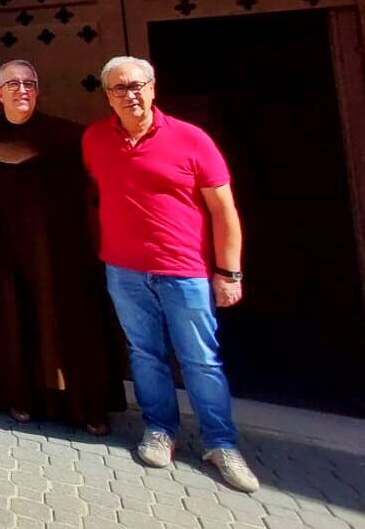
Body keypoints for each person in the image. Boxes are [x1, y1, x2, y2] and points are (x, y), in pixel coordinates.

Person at [82, 56, 258, 493]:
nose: (131, 95)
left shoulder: (192, 139)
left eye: (139, 85)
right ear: (109, 97)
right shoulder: (95, 139)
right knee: (145, 354)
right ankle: (160, 430)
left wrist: (229, 272)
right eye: (120, 88)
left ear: (154, 88)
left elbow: (224, 210)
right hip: (124, 270)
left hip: (186, 271)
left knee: (201, 360)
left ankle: (221, 443)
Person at [0, 61, 122, 433]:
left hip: (65, 252)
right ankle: (22, 399)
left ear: (38, 91)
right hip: (10, 253)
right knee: (18, 324)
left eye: (29, 83)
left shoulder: (66, 136)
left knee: (73, 326)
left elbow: (95, 192)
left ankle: (86, 407)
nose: (22, 90)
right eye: (12, 84)